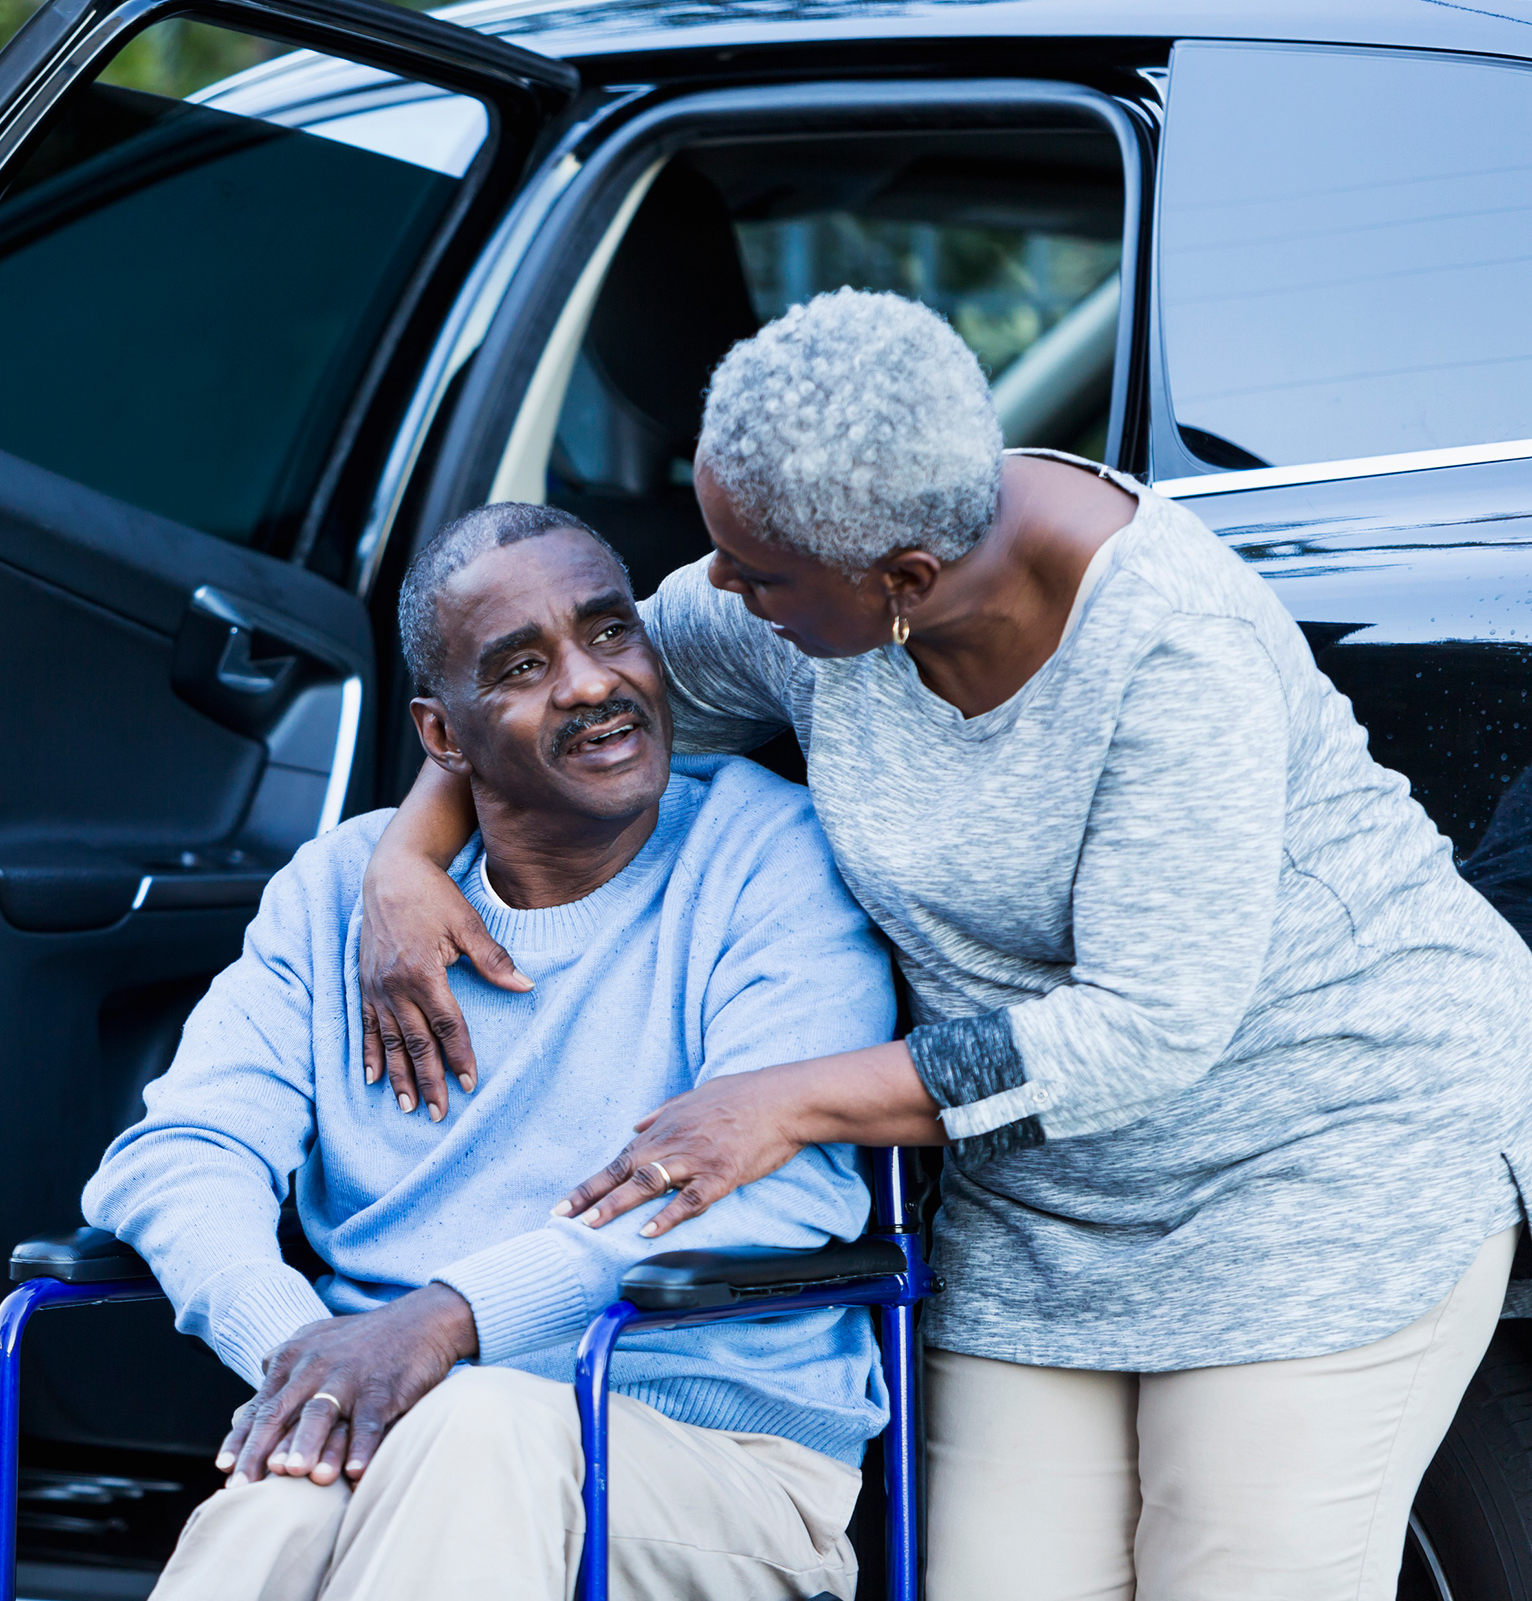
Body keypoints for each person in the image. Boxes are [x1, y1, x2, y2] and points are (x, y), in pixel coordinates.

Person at [355, 288, 1532, 1601]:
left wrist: (788, 1097)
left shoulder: (1170, 653)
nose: (717, 592)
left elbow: (1143, 1029)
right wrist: (408, 854)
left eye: (752, 572)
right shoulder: (813, 581)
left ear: (903, 581)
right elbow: (593, 699)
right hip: (1044, 1208)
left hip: (1318, 1160)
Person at [83, 502, 902, 1601]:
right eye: (521, 665)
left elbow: (772, 1192)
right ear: (441, 736)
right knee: (279, 1498)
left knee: (475, 1422)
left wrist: (448, 1321)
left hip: (716, 1456)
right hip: (410, 1421)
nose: (588, 683)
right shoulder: (341, 893)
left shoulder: (770, 857)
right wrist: (311, 1358)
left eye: (612, 633)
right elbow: (175, 1150)